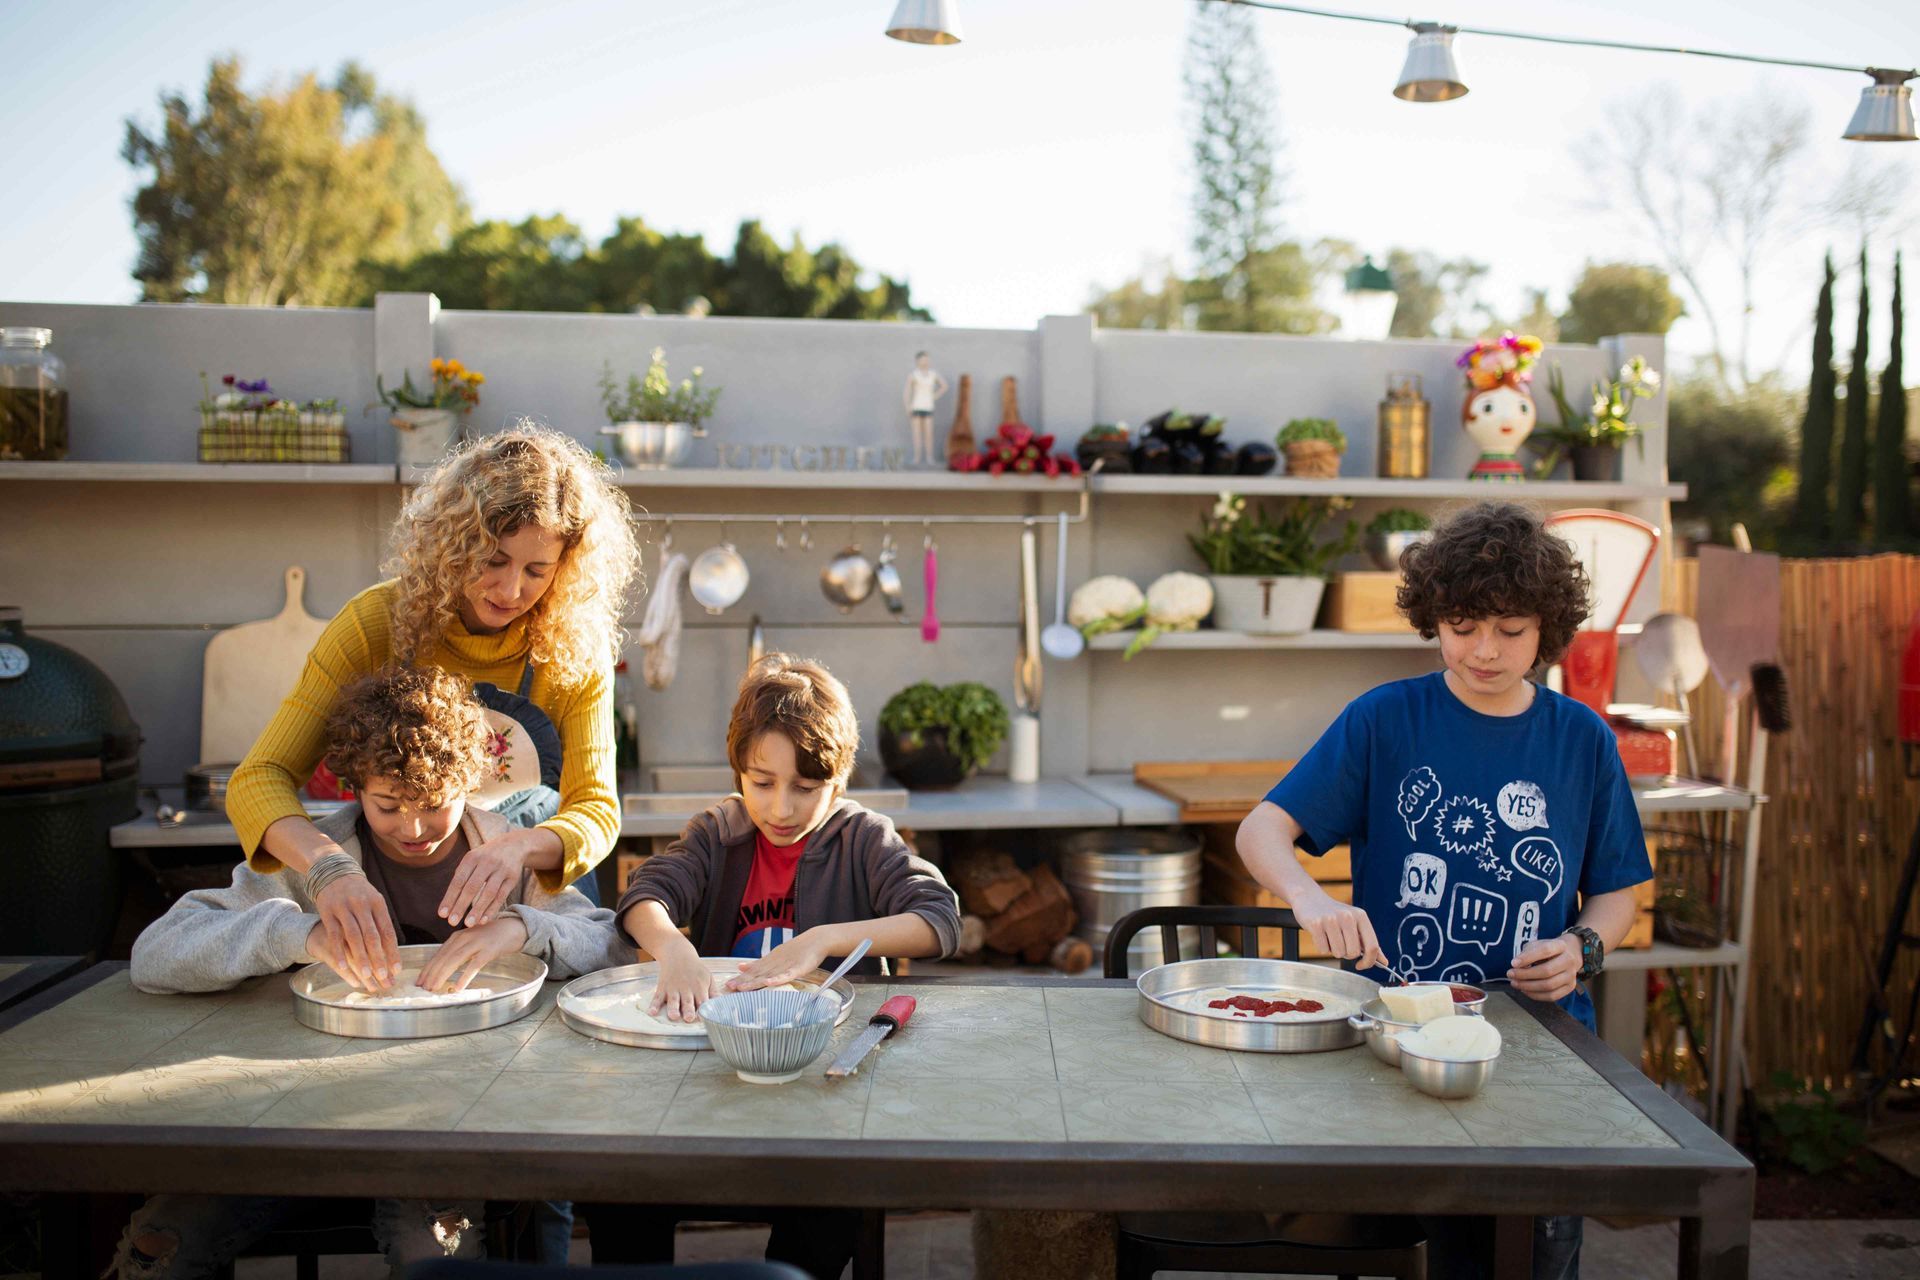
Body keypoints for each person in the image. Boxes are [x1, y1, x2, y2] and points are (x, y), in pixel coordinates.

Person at [1235, 501, 1651, 1280]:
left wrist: (1582, 946)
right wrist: (1311, 899)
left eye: (1511, 630)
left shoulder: (1581, 739)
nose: (1484, 651)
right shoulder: (1385, 719)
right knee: (1397, 1247)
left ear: (1548, 629)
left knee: (1526, 1257)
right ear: (1433, 619)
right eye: (1462, 626)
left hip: (1539, 1047)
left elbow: (1619, 892)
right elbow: (1261, 832)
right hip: (1394, 1044)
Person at [119, 665, 630, 1279]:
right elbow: (154, 956)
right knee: (163, 1243)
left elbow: (612, 945)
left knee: (436, 1257)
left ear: (469, 782)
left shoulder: (504, 853)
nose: (413, 830)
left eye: (436, 805)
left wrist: (523, 926)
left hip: (448, 1128)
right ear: (352, 786)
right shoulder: (309, 859)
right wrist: (295, 932)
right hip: (295, 1122)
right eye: (388, 805)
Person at [226, 424, 642, 998]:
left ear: (564, 568)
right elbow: (257, 781)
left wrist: (517, 849)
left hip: (537, 905)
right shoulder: (375, 624)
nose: (511, 589)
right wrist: (329, 870)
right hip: (394, 887)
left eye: (537, 570)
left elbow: (595, 808)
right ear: (455, 541)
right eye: (493, 559)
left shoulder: (575, 646)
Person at [584, 654, 961, 1278]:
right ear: (739, 771)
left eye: (805, 789)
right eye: (762, 782)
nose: (781, 808)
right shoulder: (717, 832)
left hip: (823, 1089)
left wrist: (824, 939)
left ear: (836, 783)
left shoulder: (864, 838)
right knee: (622, 1190)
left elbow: (939, 918)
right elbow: (644, 897)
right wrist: (674, 949)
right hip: (714, 1084)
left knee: (825, 1211)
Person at [903, 351, 948, 468]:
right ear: (918, 361)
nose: (925, 362)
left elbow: (944, 386)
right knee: (917, 433)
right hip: (916, 406)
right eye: (922, 359)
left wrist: (934, 396)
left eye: (926, 359)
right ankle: (917, 457)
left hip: (928, 406)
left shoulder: (933, 374)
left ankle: (929, 457)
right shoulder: (913, 375)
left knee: (928, 433)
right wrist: (907, 406)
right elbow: (907, 392)